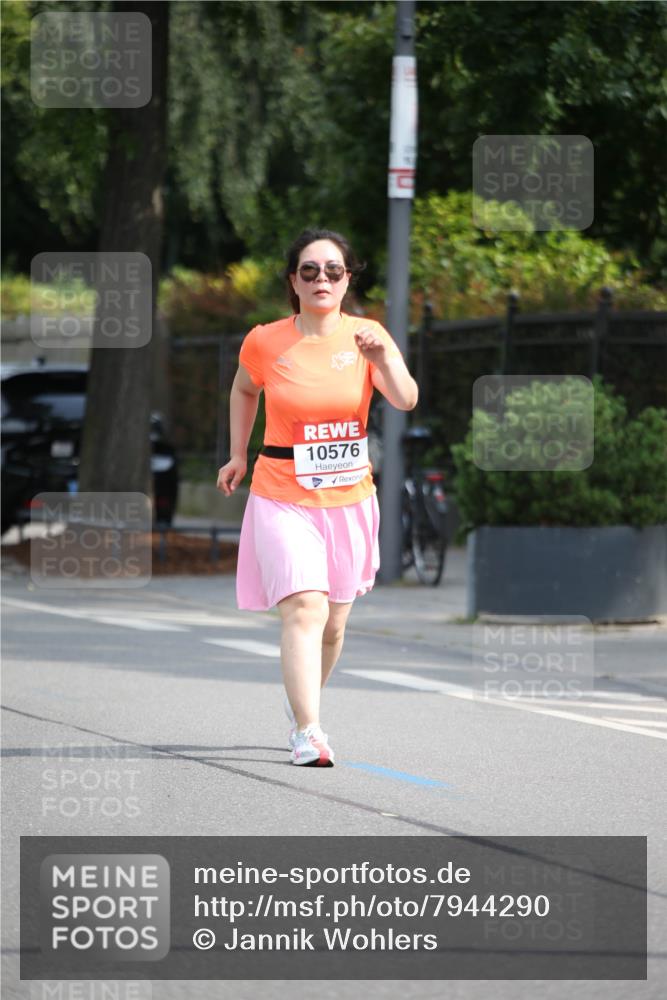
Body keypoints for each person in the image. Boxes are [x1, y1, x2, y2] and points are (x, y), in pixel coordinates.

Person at [216, 228, 418, 767]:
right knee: (304, 608)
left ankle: (302, 705)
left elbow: (405, 398)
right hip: (281, 493)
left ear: (348, 278)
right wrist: (239, 453)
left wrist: (386, 358)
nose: (321, 279)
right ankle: (308, 730)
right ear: (293, 281)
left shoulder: (368, 335)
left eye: (333, 270)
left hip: (350, 497)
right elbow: (243, 388)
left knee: (333, 624)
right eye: (309, 270)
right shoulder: (265, 340)